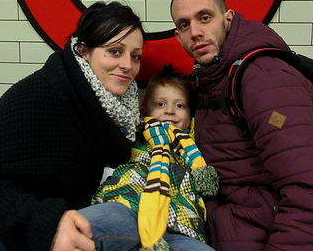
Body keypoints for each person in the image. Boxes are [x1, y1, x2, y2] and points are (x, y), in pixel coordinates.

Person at [0, 1, 145, 251]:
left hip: (11, 231)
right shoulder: (40, 94)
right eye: (115, 51)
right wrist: (48, 224)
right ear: (84, 51)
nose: (128, 65)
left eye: (135, 56)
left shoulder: (110, 114)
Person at [169, 0, 313, 251]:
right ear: (177, 36)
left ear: (228, 20)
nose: (195, 32)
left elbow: (311, 199)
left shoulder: (264, 79)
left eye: (205, 18)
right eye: (184, 25)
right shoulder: (212, 81)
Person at [79, 64, 218, 251]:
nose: (170, 111)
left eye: (179, 105)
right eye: (160, 104)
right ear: (144, 109)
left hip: (182, 225)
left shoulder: (195, 143)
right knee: (81, 226)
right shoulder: (135, 132)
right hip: (127, 204)